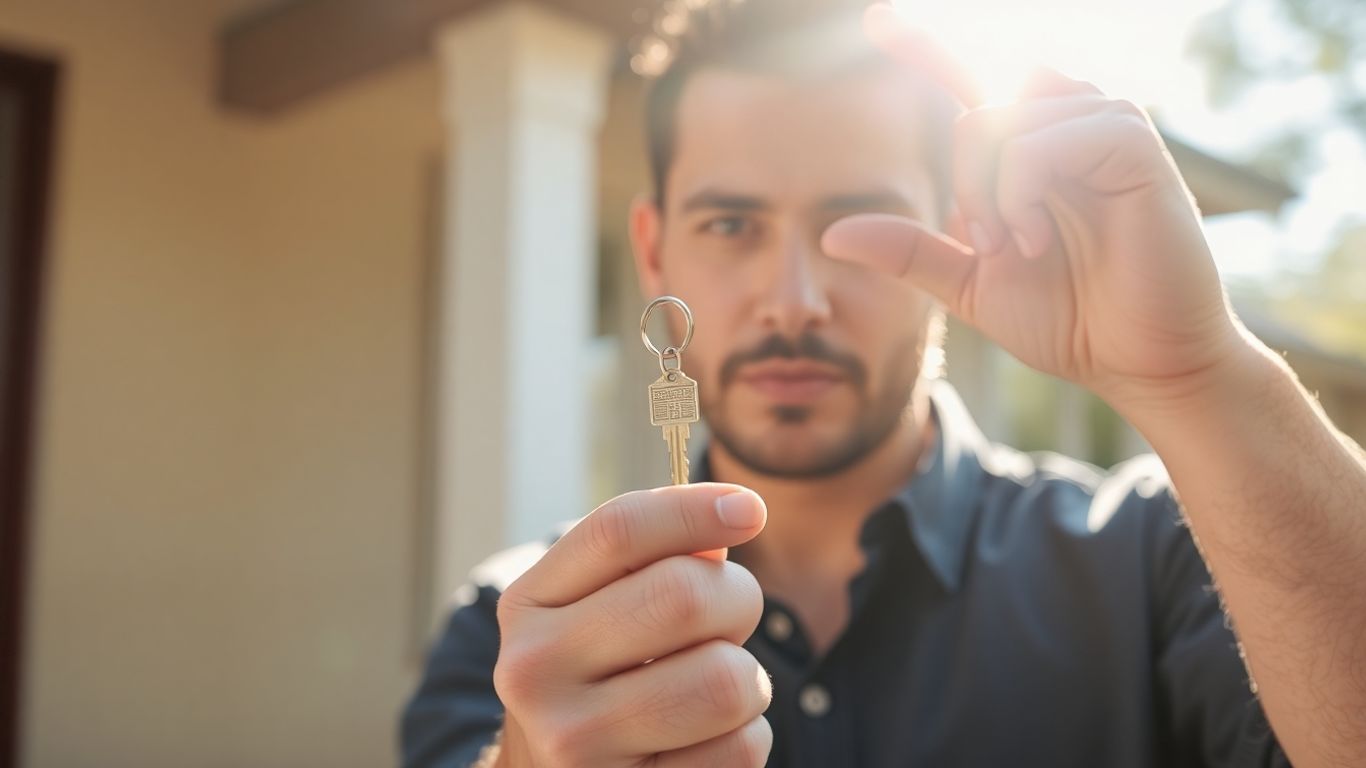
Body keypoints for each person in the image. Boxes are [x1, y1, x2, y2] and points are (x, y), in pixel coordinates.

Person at [401, 1, 1366, 765]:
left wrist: (1200, 373)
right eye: (732, 226)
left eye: (854, 226)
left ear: (951, 230)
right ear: (654, 249)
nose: (793, 302)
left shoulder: (1160, 559)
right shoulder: (523, 623)